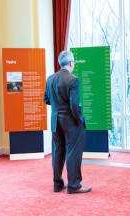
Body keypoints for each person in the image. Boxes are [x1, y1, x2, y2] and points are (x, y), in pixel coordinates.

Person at [44, 50, 91, 194]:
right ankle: (74, 185)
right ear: (71, 63)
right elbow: (75, 106)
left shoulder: (50, 78)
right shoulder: (73, 79)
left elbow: (46, 100)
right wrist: (81, 119)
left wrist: (57, 104)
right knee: (73, 153)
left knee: (58, 152)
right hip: (71, 122)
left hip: (55, 122)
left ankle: (57, 184)